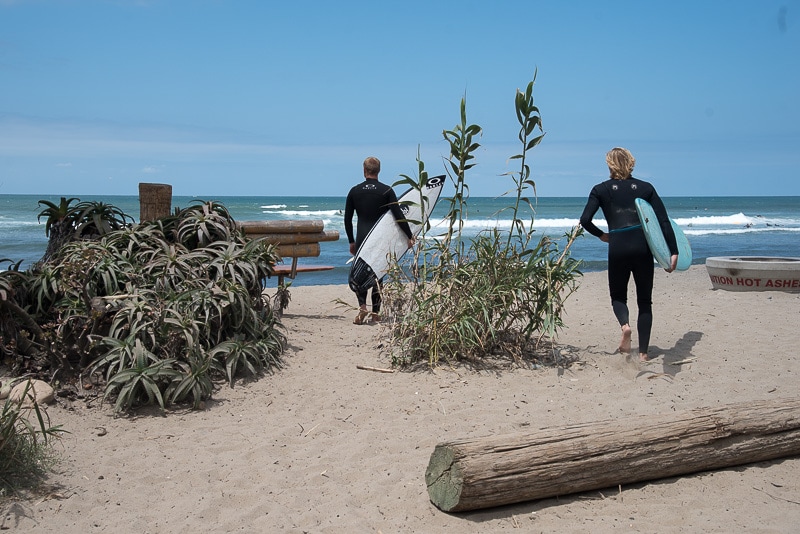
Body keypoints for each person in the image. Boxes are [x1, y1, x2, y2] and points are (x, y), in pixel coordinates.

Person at [579, 147, 678, 362]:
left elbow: (585, 220)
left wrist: (602, 235)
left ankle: (625, 327)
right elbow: (663, 221)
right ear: (631, 163)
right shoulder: (645, 188)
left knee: (618, 296)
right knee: (645, 301)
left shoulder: (600, 189)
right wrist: (673, 251)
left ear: (609, 165)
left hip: (618, 245)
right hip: (642, 245)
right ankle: (643, 354)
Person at [344, 157, 415, 325]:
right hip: (379, 238)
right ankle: (375, 313)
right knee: (378, 274)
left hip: (362, 237)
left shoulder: (354, 191)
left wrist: (351, 241)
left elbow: (347, 219)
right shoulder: (386, 191)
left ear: (364, 170)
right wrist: (409, 236)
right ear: (379, 170)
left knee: (359, 273)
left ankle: (362, 306)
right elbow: (399, 216)